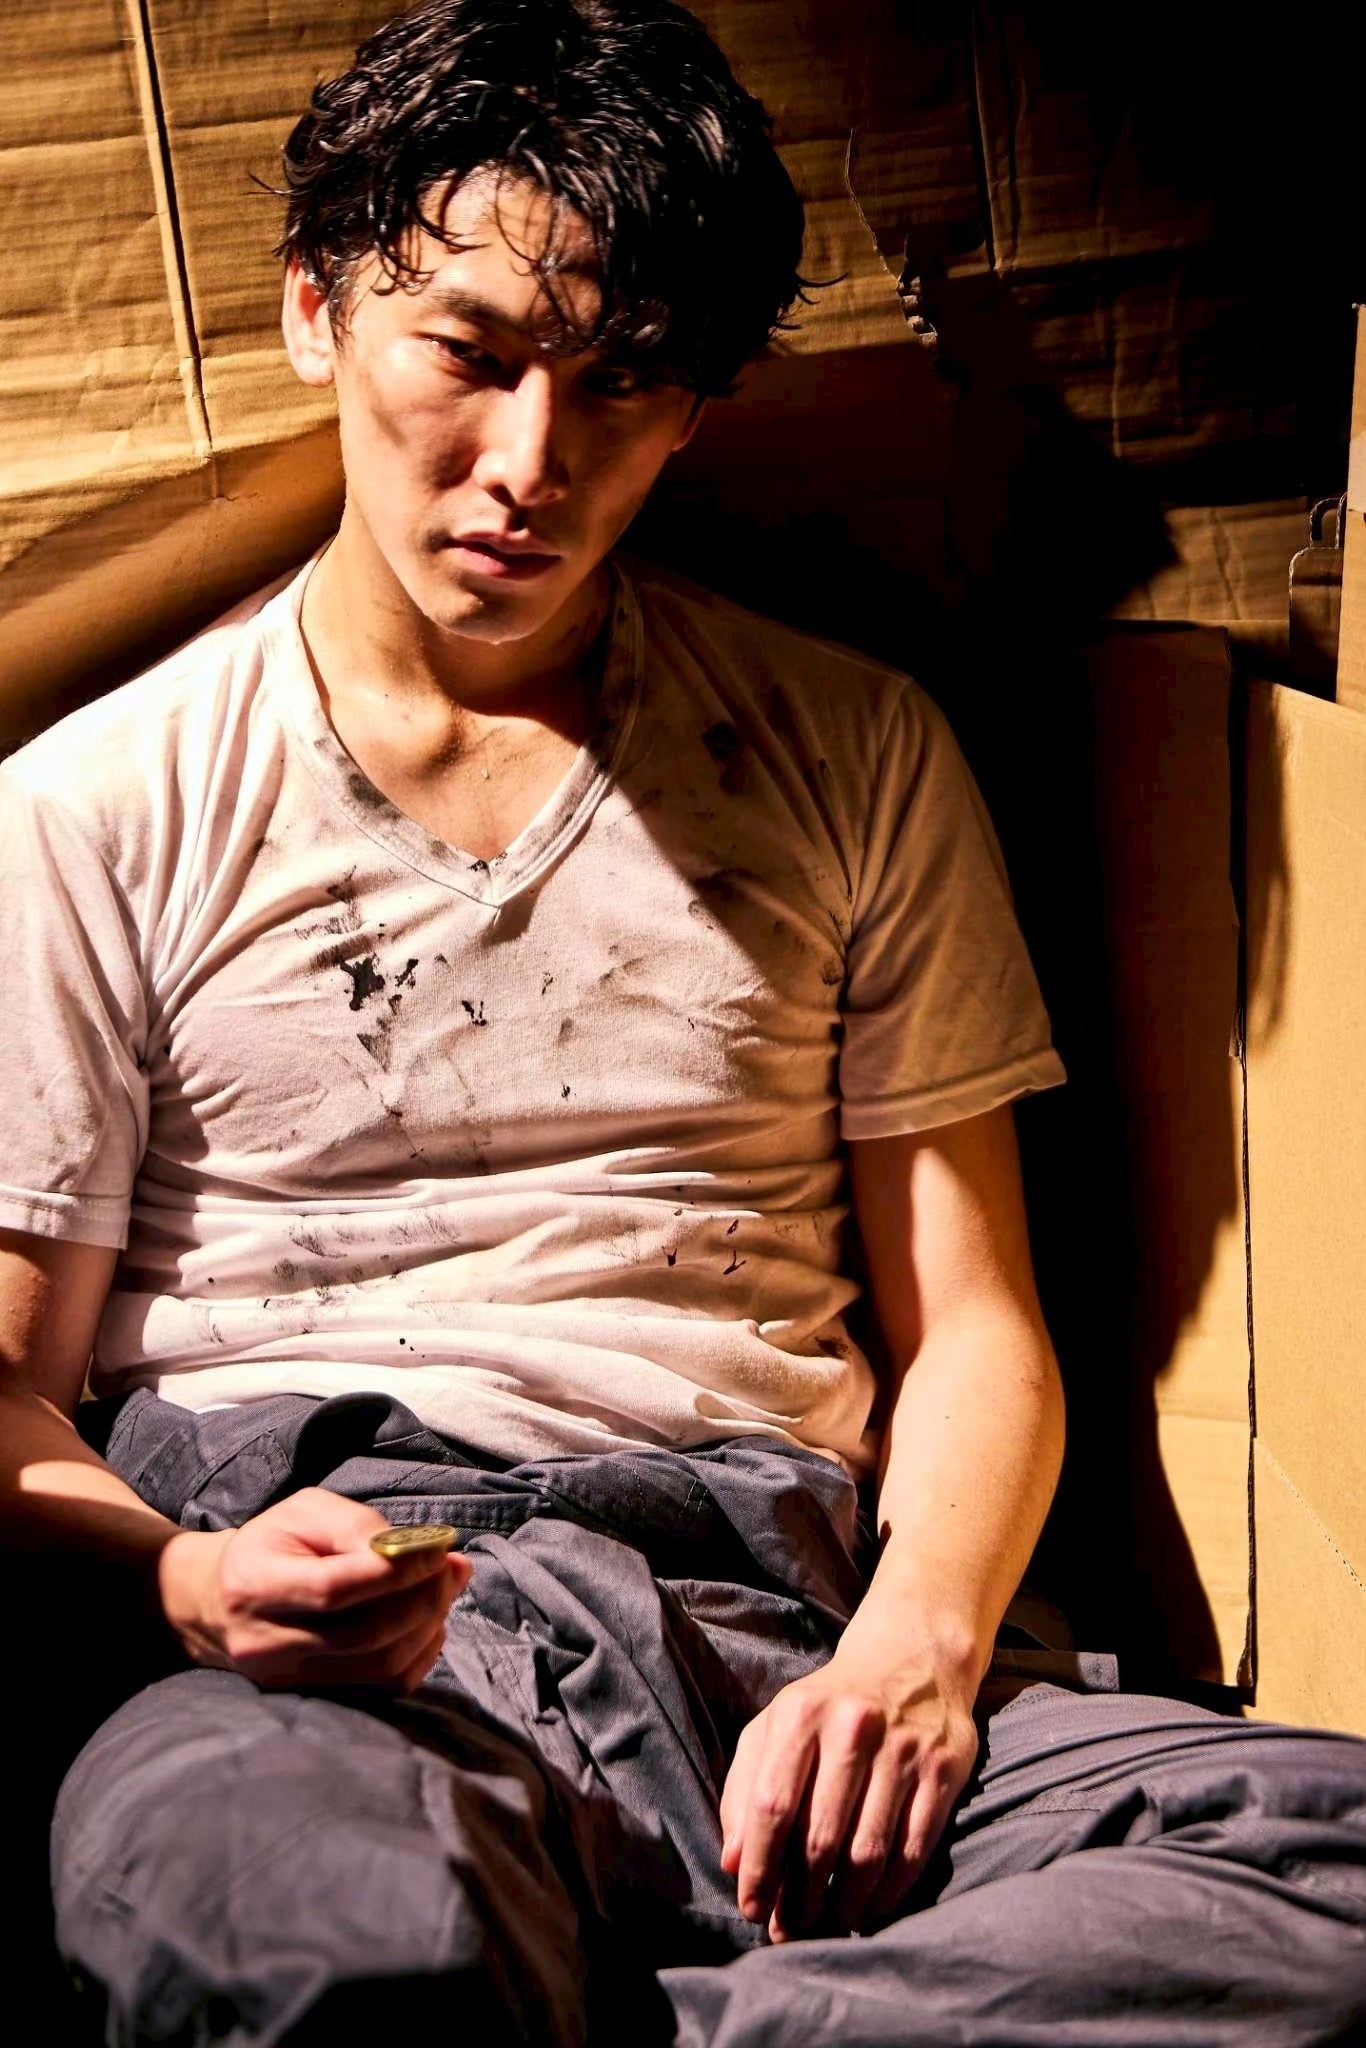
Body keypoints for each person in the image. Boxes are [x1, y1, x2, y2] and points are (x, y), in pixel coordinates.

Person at [3, 3, 1365, 2042]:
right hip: (323, 1656)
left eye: (622, 382)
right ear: (315, 314)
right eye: (469, 355)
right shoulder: (97, 806)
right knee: (306, 1936)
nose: (529, 466)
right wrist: (181, 1585)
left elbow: (974, 1326)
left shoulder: (850, 747)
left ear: (695, 409)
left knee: (1328, 1872)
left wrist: (912, 1646)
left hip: (768, 1615)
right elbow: (5, 1396)